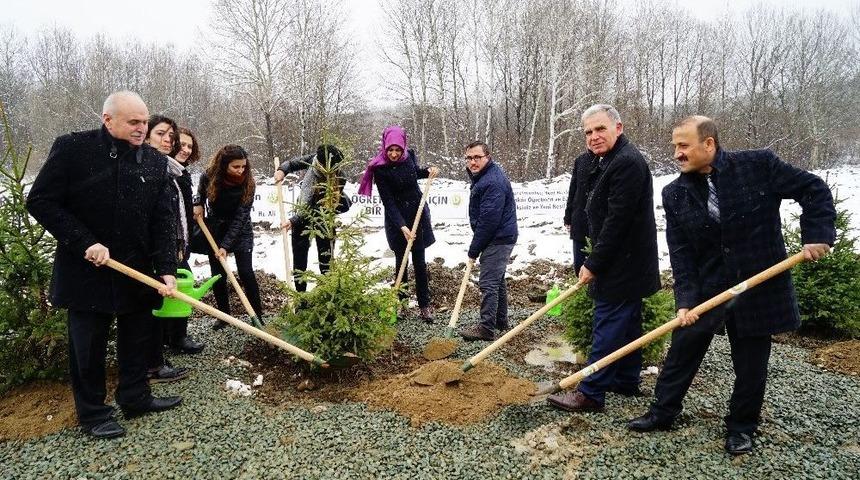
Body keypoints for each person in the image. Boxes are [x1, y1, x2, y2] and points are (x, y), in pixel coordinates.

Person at [627, 116, 835, 455]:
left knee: (751, 363)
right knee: (683, 348)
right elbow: (681, 253)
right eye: (675, 146)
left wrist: (817, 234)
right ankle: (662, 412)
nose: (677, 153)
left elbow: (813, 189)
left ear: (708, 143)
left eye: (684, 145)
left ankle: (741, 427)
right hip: (708, 287)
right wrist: (685, 301)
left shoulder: (758, 166)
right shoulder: (675, 194)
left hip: (757, 285)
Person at [26, 91, 182, 439]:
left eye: (145, 122)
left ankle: (135, 397)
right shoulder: (73, 149)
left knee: (137, 338)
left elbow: (162, 221)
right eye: (133, 122)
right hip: (86, 271)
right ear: (107, 119)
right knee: (88, 346)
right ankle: (93, 413)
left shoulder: (154, 162)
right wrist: (85, 242)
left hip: (137, 270)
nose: (142, 128)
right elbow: (41, 201)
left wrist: (166, 269)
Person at [547, 104, 660, 413]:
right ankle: (625, 379)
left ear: (618, 128)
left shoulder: (626, 163)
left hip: (623, 262)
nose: (593, 136)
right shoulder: (608, 159)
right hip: (628, 260)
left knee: (607, 322)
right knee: (629, 324)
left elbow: (617, 222)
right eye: (588, 132)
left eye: (600, 129)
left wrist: (594, 263)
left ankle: (591, 392)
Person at [359, 126, 438, 322]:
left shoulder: (409, 156)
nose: (394, 154)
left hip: (417, 215)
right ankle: (402, 304)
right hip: (397, 220)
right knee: (401, 262)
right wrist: (402, 227)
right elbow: (388, 202)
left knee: (420, 263)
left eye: (398, 150)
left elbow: (415, 173)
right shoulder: (380, 168)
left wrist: (428, 171)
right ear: (385, 147)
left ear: (403, 147)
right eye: (390, 150)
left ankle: (424, 306)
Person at [143, 115, 192, 383]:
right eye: (160, 134)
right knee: (150, 307)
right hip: (150, 251)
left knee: (157, 304)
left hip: (168, 247)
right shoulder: (148, 168)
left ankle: (155, 359)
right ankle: (152, 365)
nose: (168, 141)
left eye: (170, 137)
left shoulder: (170, 170)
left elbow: (172, 215)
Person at [194, 144, 263, 329]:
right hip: (215, 229)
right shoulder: (209, 176)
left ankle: (258, 316)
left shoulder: (249, 183)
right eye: (236, 167)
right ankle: (224, 316)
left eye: (243, 166)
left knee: (246, 273)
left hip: (240, 230)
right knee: (218, 275)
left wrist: (225, 246)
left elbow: (241, 217)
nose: (241, 170)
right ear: (224, 165)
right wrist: (198, 203)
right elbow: (200, 192)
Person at [457, 141, 518, 341]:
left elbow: (488, 221)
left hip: (498, 237)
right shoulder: (484, 176)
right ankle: (500, 321)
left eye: (477, 157)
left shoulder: (492, 182)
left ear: (487, 157)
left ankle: (486, 328)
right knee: (497, 279)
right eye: (469, 158)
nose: (472, 162)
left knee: (488, 282)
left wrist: (474, 250)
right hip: (499, 235)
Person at [274, 144, 348, 292]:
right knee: (300, 260)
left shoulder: (339, 176)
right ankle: (301, 297)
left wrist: (293, 220)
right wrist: (282, 170)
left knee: (326, 260)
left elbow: (320, 208)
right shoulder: (314, 160)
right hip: (302, 217)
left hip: (324, 218)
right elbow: (292, 164)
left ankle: (327, 294)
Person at [166, 126, 206, 353]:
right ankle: (176, 338)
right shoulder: (168, 172)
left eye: (190, 146)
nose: (186, 149)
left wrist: (196, 204)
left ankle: (174, 336)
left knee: (179, 286)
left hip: (181, 242)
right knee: (180, 286)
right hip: (170, 242)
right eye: (182, 144)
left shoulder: (182, 172)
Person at [563, 149, 597, 275]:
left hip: (599, 221)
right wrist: (568, 216)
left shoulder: (611, 160)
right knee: (579, 264)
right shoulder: (581, 160)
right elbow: (573, 189)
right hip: (579, 219)